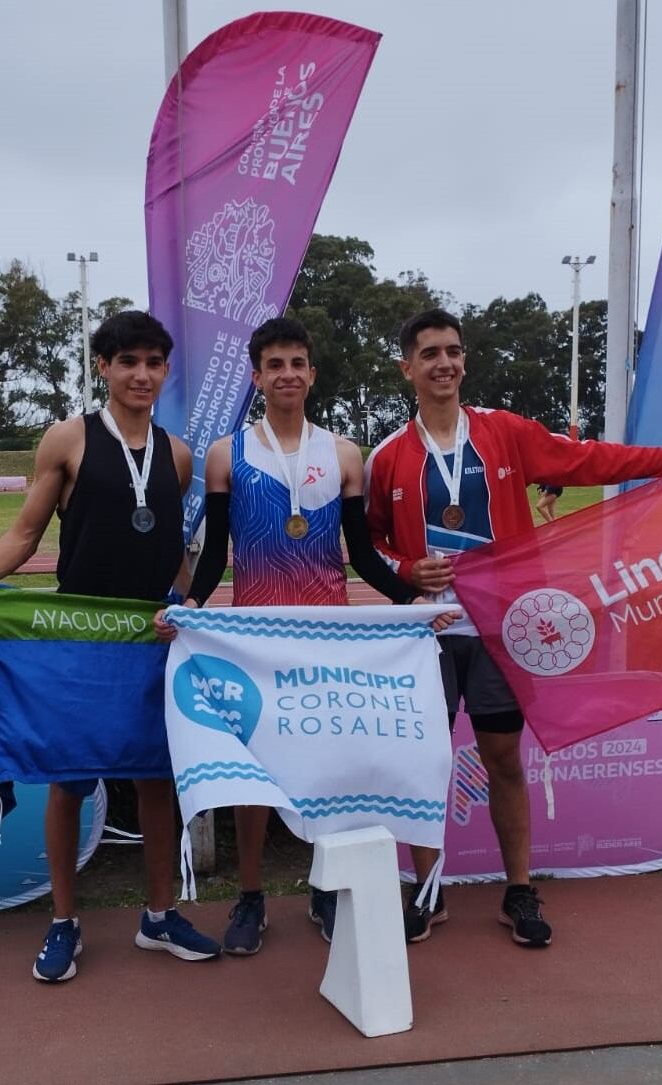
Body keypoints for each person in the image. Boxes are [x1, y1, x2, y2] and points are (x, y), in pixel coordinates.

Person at [365, 308, 662, 948]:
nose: (444, 363)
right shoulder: (389, 456)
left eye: (453, 351)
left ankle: (519, 889)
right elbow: (370, 543)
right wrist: (404, 567)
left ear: (463, 360)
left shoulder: (505, 433)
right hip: (426, 635)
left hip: (503, 631)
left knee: (504, 757)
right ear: (407, 367)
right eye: (430, 353)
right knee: (422, 764)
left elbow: (594, 460)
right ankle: (427, 890)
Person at [0, 310, 221, 981]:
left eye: (154, 363)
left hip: (149, 638)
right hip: (77, 641)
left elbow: (173, 554)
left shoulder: (177, 455)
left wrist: (195, 607)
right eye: (128, 362)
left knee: (158, 779)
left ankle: (158, 914)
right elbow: (26, 533)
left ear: (165, 370)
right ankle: (64, 921)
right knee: (71, 780)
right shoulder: (68, 439)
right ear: (104, 367)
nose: (142, 374)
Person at [156, 316, 455, 956]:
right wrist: (186, 606)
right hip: (257, 636)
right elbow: (211, 560)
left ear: (312, 374)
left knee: (327, 766)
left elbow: (364, 560)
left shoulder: (344, 454)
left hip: (329, 634)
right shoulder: (225, 455)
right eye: (275, 365)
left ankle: (324, 889)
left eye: (298, 364)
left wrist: (413, 605)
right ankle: (252, 895)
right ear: (257, 375)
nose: (287, 375)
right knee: (255, 771)